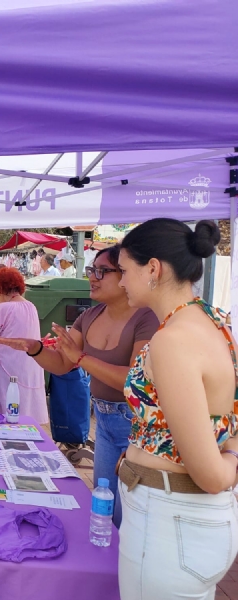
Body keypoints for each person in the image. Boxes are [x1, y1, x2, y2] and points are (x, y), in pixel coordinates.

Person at [116, 219, 238, 600]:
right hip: (183, 521)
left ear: (152, 268)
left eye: (123, 271)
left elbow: (212, 475)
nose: (121, 282)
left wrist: (231, 459)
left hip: (171, 522)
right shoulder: (213, 323)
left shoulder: (173, 340)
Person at [0, 245, 158, 526]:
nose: (92, 277)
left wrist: (80, 358)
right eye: (91, 270)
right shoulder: (90, 316)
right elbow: (61, 365)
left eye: (102, 271)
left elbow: (133, 381)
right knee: (105, 503)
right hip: (105, 420)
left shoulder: (147, 318)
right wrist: (34, 349)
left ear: (127, 274)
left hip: (135, 423)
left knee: (128, 510)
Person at [0, 267, 49, 424]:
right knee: (24, 405)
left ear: (0, 289)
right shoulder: (31, 306)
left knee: (4, 407)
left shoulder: (3, 308)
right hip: (29, 363)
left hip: (5, 365)